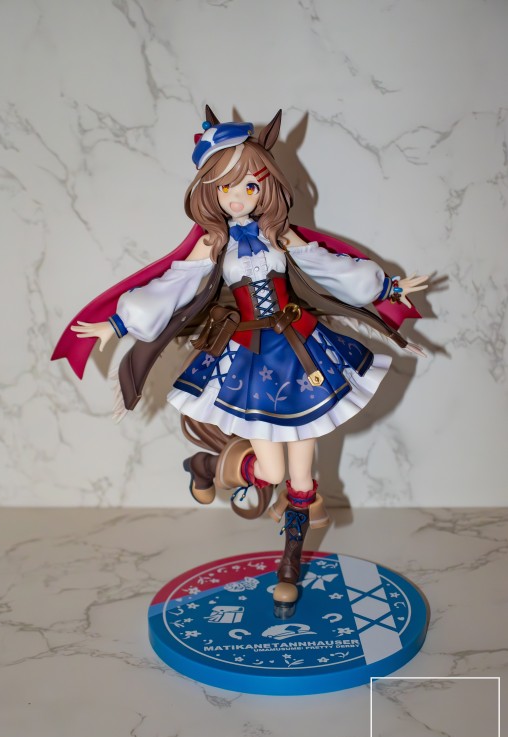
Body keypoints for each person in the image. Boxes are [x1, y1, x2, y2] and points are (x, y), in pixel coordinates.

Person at [53, 107, 428, 618]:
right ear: (210, 192)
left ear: (264, 186)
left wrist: (385, 289)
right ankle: (207, 464)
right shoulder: (215, 244)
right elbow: (171, 286)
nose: (237, 197)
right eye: (225, 187)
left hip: (302, 349)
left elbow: (329, 267)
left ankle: (289, 565)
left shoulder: (281, 236)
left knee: (301, 475)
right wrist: (117, 324)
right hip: (251, 361)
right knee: (270, 469)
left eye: (248, 185)